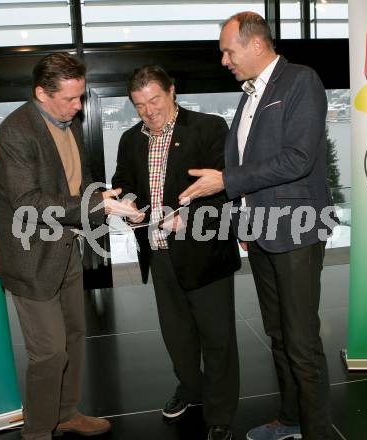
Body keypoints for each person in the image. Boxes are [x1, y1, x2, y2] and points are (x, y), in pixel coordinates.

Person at [179, 12, 336, 440]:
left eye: (229, 51)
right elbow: (249, 160)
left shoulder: (300, 81)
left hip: (297, 232)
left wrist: (226, 181)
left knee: (302, 343)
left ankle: (317, 431)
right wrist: (245, 218)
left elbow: (298, 159)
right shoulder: (250, 94)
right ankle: (289, 419)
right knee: (278, 335)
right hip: (264, 230)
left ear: (256, 45)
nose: (225, 61)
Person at [0, 52, 141, 440]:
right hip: (30, 258)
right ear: (41, 93)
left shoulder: (67, 124)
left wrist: (104, 197)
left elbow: (77, 181)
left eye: (81, 96)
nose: (79, 106)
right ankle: (38, 431)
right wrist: (95, 204)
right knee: (50, 352)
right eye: (71, 98)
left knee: (74, 337)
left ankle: (66, 412)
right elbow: (29, 201)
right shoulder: (15, 134)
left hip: (66, 248)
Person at [112, 65, 241, 440]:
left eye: (155, 100)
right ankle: (190, 387)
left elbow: (225, 188)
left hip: (205, 252)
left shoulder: (209, 128)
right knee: (177, 335)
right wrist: (129, 207)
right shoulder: (129, 140)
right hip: (158, 251)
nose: (149, 111)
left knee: (217, 338)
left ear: (172, 91)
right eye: (139, 105)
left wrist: (188, 220)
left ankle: (220, 414)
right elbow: (124, 184)